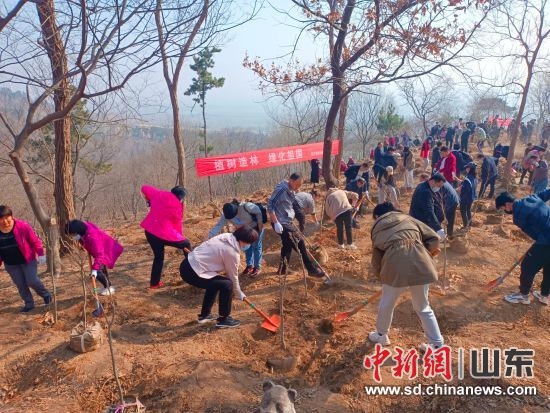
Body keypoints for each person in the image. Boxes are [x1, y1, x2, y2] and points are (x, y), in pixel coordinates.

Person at [368, 202, 444, 349]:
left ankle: (381, 335)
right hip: (422, 263)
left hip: (394, 266)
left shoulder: (377, 226)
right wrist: (424, 254)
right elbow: (434, 238)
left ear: (377, 216)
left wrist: (382, 277)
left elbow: (377, 257)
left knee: (387, 302)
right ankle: (436, 344)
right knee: (422, 306)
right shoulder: (409, 219)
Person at [180, 226, 258, 328]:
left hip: (188, 264)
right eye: (249, 243)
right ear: (243, 240)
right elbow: (232, 276)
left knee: (216, 282)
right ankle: (224, 319)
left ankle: (205, 315)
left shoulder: (226, 236)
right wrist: (238, 292)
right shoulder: (232, 252)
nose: (249, 245)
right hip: (192, 272)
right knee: (227, 284)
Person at [495, 190, 550, 305]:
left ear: (508, 204)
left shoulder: (518, 217)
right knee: (548, 266)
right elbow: (547, 192)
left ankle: (523, 295)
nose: (505, 211)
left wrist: (539, 243)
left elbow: (534, 233)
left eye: (503, 208)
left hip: (546, 240)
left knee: (527, 266)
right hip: (546, 237)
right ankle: (544, 295)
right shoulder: (533, 197)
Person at [268, 173, 325, 277]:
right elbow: (270, 205)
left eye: (300, 185)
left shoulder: (291, 190)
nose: (299, 187)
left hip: (286, 221)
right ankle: (311, 270)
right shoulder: (282, 189)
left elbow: (290, 205)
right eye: (297, 184)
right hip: (281, 223)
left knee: (287, 246)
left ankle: (282, 269)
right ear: (291, 180)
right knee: (300, 243)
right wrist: (276, 222)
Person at [0, 205, 51, 313]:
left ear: (11, 216)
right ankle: (29, 304)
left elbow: (35, 241)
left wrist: (41, 254)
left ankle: (45, 294)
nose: (4, 221)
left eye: (6, 217)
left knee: (31, 280)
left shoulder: (22, 226)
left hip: (27, 260)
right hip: (11, 264)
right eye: (1, 219)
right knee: (21, 285)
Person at [141, 184, 192, 289]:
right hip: (164, 234)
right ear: (181, 197)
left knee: (158, 258)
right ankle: (194, 268)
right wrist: (180, 238)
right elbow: (177, 224)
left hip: (150, 232)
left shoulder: (159, 194)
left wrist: (148, 198)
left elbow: (144, 187)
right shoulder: (177, 205)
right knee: (186, 243)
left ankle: (154, 284)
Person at [66, 219, 124, 295]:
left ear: (78, 231)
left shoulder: (92, 237)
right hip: (103, 247)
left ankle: (109, 288)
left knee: (97, 271)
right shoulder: (85, 227)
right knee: (101, 268)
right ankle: (107, 286)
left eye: (72, 235)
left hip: (106, 250)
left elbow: (100, 254)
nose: (72, 237)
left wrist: (94, 269)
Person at [208, 199, 264, 278]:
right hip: (244, 231)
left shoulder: (246, 206)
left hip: (256, 227)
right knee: (247, 247)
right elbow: (218, 225)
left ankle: (257, 267)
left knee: (256, 246)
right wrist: (210, 236)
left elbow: (258, 212)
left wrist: (260, 224)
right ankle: (249, 265)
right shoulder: (226, 215)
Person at [409, 173, 446, 239]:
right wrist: (438, 228)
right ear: (433, 181)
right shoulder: (425, 192)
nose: (439, 188)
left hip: (416, 217)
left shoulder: (423, 185)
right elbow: (429, 211)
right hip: (420, 221)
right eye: (439, 186)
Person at [459, 162, 477, 228]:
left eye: (467, 167)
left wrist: (460, 189)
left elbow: (466, 189)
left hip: (465, 198)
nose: (466, 169)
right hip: (471, 197)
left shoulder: (468, 178)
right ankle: (469, 224)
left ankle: (465, 226)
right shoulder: (474, 177)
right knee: (468, 210)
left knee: (463, 211)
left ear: (469, 169)